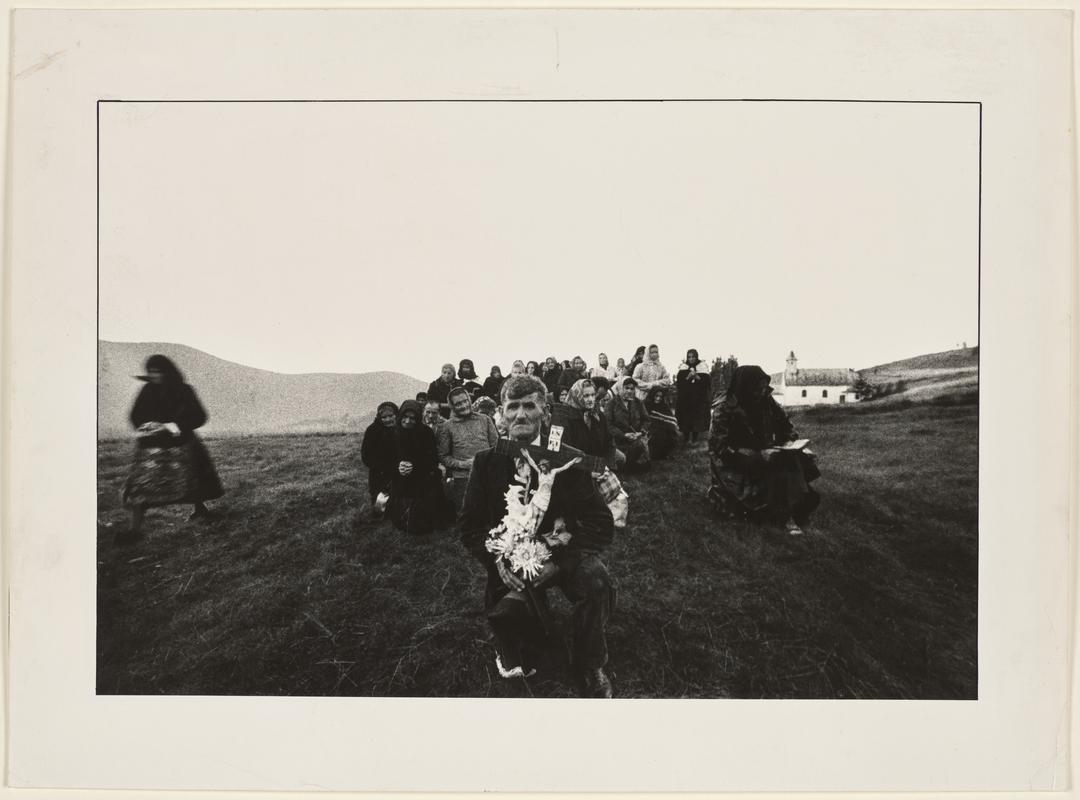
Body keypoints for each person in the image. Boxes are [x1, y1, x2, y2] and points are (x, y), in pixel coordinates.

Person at [459, 375, 616, 697]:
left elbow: (600, 522)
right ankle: (519, 636)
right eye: (512, 407)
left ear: (545, 414)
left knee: (597, 581)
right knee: (510, 628)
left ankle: (590, 662)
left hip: (561, 552)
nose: (520, 414)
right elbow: (470, 526)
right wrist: (498, 561)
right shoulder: (486, 462)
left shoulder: (569, 459)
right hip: (509, 559)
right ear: (500, 414)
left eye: (529, 406)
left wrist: (561, 564)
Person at [119, 355, 224, 543]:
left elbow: (199, 416)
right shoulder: (146, 391)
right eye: (150, 371)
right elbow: (135, 415)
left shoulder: (184, 391)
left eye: (157, 371)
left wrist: (172, 426)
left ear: (167, 372)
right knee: (140, 488)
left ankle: (200, 510)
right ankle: (135, 529)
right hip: (150, 447)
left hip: (180, 444)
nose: (154, 375)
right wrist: (147, 426)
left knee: (191, 480)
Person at [708, 365, 821, 535]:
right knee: (776, 469)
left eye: (763, 388)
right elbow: (720, 448)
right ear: (745, 387)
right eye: (757, 389)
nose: (761, 393)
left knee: (789, 460)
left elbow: (786, 425)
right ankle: (788, 517)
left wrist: (791, 443)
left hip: (766, 452)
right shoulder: (724, 408)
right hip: (736, 462)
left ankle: (793, 513)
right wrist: (756, 457)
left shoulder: (766, 400)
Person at [437, 386, 500, 513]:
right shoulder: (447, 427)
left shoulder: (485, 419)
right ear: (452, 407)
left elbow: (497, 447)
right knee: (467, 517)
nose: (464, 405)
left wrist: (486, 462)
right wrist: (463, 464)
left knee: (492, 515)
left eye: (465, 401)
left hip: (487, 473)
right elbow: (443, 456)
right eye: (458, 403)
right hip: (463, 477)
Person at [388, 400, 445, 535]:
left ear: (418, 418)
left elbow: (432, 460)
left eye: (412, 418)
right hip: (399, 477)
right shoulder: (393, 433)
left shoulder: (426, 433)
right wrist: (398, 467)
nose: (408, 421)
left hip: (421, 475)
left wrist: (414, 466)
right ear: (400, 416)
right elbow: (386, 459)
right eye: (405, 417)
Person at [362, 401, 401, 519]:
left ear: (396, 415)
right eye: (384, 417)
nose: (388, 419)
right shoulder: (372, 430)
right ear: (379, 417)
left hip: (398, 471)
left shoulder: (401, 429)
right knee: (379, 504)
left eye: (391, 416)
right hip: (378, 472)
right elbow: (366, 456)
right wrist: (381, 466)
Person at [605, 376, 651, 471]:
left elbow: (646, 420)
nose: (629, 391)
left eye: (632, 389)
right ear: (620, 388)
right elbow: (608, 425)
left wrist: (641, 432)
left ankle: (628, 465)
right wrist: (623, 435)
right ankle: (626, 465)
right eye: (626, 388)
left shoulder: (638, 403)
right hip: (618, 440)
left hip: (635, 438)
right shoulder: (611, 404)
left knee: (641, 446)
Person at [675, 348, 712, 444]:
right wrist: (688, 377)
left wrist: (697, 377)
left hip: (698, 398)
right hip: (686, 398)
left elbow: (707, 383)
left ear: (696, 357)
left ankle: (695, 438)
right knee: (686, 418)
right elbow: (679, 383)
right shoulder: (683, 367)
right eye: (689, 357)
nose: (691, 359)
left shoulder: (702, 367)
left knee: (696, 418)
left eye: (693, 357)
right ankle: (686, 438)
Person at [644, 386, 680, 460]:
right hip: (649, 428)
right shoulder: (645, 405)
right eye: (656, 396)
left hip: (662, 428)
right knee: (657, 434)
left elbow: (671, 419)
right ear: (652, 395)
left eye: (660, 396)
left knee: (668, 433)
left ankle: (664, 453)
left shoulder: (663, 406)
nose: (658, 398)